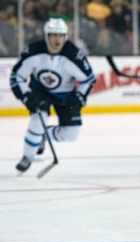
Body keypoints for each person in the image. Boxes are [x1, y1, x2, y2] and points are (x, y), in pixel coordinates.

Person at [10, 18, 95, 173]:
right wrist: (26, 96)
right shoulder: (33, 51)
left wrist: (79, 97)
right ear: (46, 36)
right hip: (39, 91)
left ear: (65, 37)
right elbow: (17, 77)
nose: (56, 39)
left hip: (66, 94)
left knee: (71, 134)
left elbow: (88, 80)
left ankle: (43, 136)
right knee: (38, 118)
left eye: (60, 35)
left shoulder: (74, 55)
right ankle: (27, 157)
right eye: (53, 35)